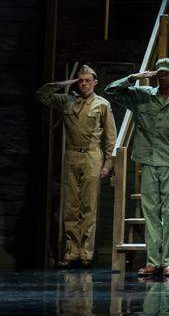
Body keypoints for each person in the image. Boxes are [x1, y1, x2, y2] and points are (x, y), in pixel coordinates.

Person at [105, 58, 169, 277]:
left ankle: (168, 261)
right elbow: (111, 91)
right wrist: (132, 79)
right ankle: (153, 261)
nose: (162, 76)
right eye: (159, 72)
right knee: (150, 213)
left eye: (167, 73)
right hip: (148, 161)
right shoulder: (142, 96)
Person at [36, 65, 117, 268]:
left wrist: (108, 164)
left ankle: (86, 253)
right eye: (80, 80)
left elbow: (111, 137)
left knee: (89, 206)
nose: (84, 83)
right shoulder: (67, 100)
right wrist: (64, 84)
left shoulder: (102, 104)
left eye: (88, 80)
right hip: (72, 155)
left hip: (92, 155)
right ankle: (72, 252)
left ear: (95, 82)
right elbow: (41, 94)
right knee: (71, 206)